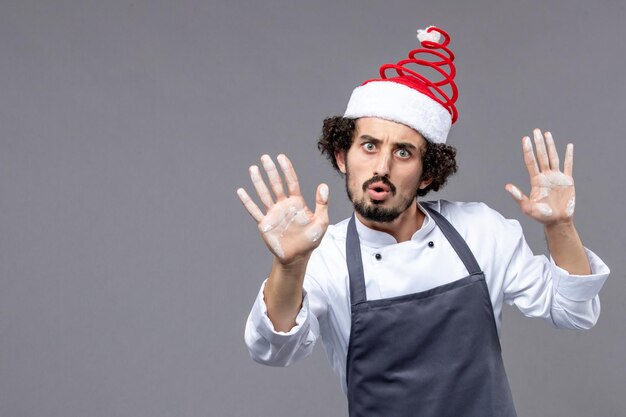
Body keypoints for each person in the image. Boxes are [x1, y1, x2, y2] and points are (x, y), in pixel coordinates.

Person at [236, 26, 610, 417]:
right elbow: (273, 350)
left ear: (427, 172)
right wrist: (290, 266)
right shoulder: (324, 258)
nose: (381, 167)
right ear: (343, 156)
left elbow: (574, 312)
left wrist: (560, 227)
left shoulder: (480, 231)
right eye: (369, 146)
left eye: (403, 152)